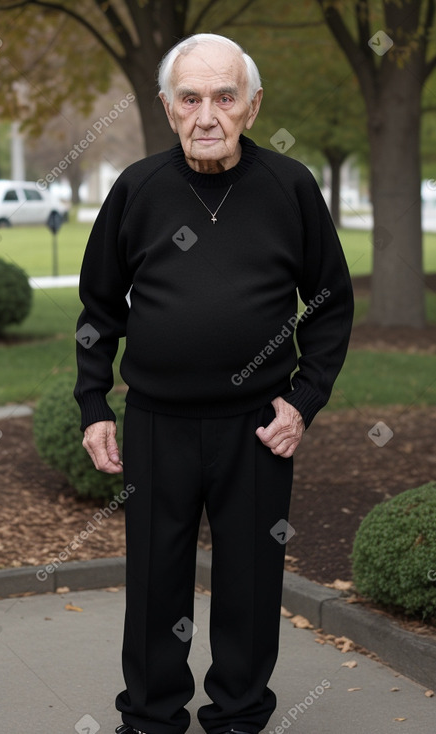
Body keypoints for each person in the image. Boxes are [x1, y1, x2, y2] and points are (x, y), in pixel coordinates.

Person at [74, 32, 354, 734]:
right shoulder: (137, 188)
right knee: (153, 582)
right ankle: (151, 717)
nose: (207, 114)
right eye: (191, 97)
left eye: (224, 97)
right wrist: (92, 404)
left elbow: (329, 304)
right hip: (157, 423)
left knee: (250, 584)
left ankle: (237, 716)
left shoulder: (288, 186)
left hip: (256, 425)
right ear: (168, 107)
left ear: (251, 106)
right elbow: (99, 308)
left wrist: (302, 401)